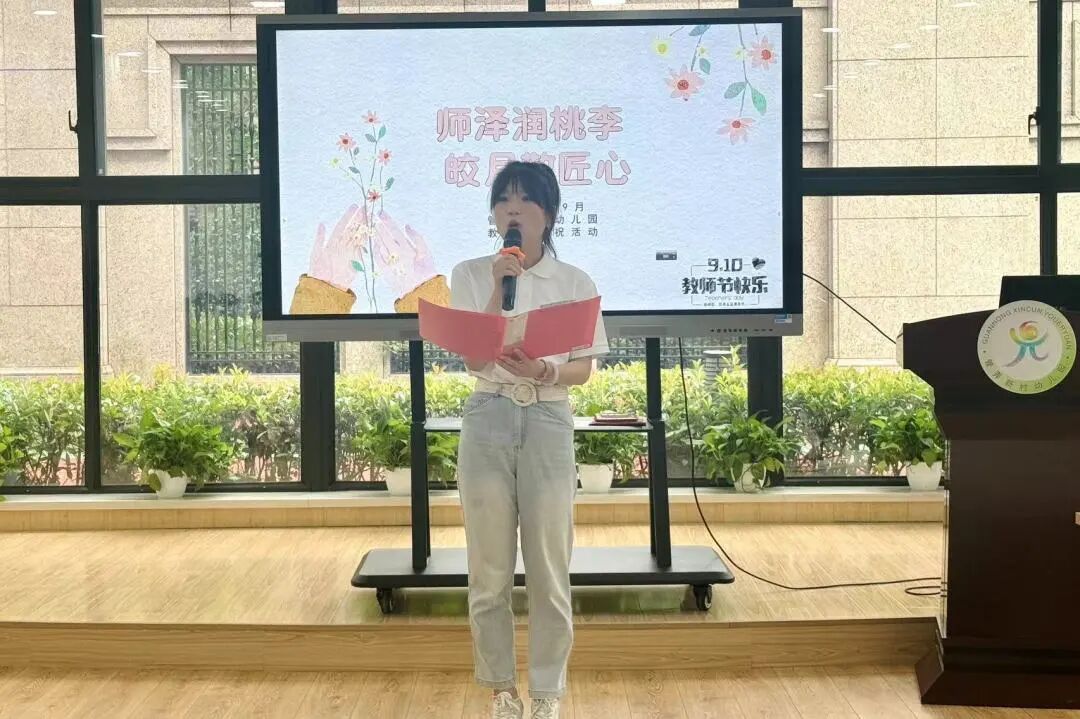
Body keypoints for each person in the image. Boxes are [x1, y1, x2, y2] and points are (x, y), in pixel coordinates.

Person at [449, 161, 608, 719]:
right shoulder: (471, 273)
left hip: (547, 416)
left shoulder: (575, 282)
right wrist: (499, 285)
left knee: (548, 565)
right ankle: (501, 690)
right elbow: (474, 359)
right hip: (488, 414)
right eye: (503, 200)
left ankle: (546, 694)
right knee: (488, 567)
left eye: (525, 200)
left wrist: (545, 370)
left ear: (549, 213)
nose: (512, 209)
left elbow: (584, 369)